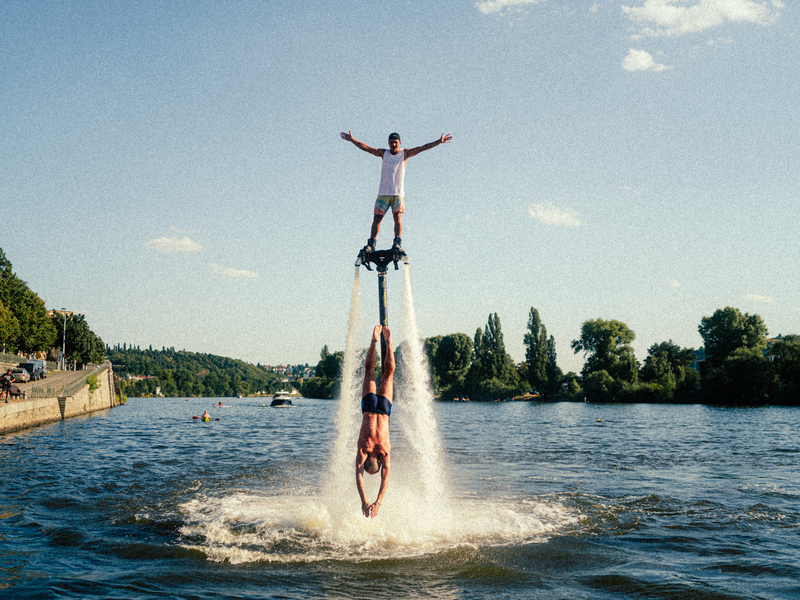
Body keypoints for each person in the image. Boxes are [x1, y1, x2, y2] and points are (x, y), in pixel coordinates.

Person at [340, 130, 452, 253]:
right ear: (388, 143)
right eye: (391, 142)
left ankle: (397, 242)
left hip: (398, 193)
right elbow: (367, 148)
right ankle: (371, 243)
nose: (393, 144)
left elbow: (422, 148)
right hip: (383, 193)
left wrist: (438, 141)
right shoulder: (384, 153)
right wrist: (352, 140)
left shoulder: (405, 154)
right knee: (377, 218)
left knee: (397, 217)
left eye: (396, 142)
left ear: (399, 143)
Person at [356, 325, 395, 518]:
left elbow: (385, 479)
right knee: (369, 371)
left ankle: (388, 341)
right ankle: (375, 341)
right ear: (365, 462)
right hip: (369, 408)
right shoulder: (363, 450)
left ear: (377, 462)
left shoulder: (383, 452)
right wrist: (366, 500)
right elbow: (358, 476)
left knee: (388, 373)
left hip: (384, 410)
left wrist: (375, 501)